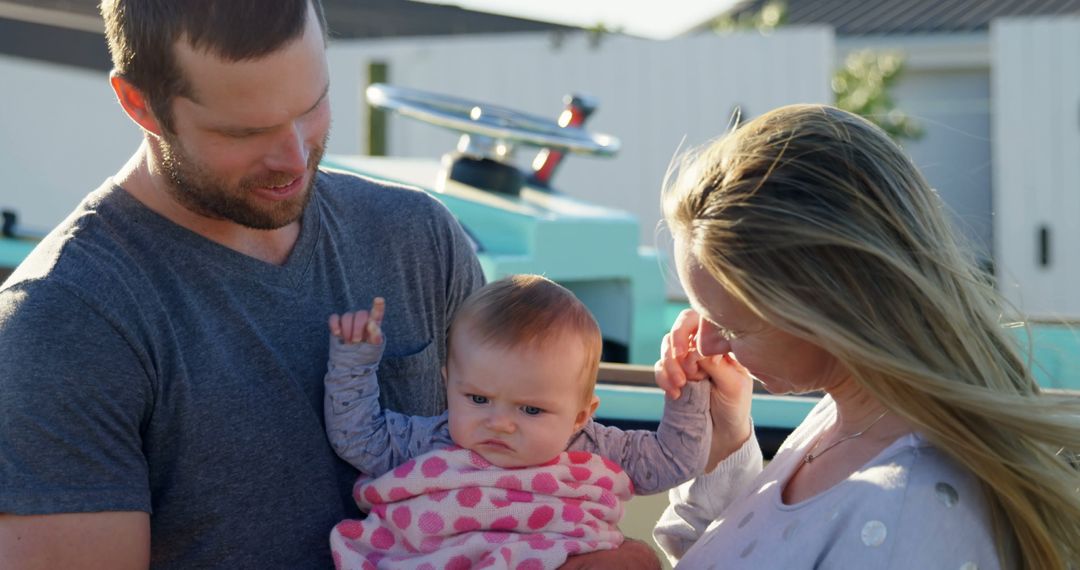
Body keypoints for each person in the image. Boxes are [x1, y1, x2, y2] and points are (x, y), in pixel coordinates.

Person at [0, 1, 487, 567]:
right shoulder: (62, 326)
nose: (295, 156)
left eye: (312, 106)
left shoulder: (418, 237)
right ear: (140, 103)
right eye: (246, 130)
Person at [651, 104, 1080, 569]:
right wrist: (726, 445)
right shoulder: (845, 421)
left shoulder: (902, 519)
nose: (706, 344)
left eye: (732, 326)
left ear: (831, 308)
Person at [323, 275, 711, 568]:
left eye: (530, 410)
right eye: (477, 399)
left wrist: (687, 388)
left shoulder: (593, 448)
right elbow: (358, 436)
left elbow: (673, 461)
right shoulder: (429, 440)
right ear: (448, 385)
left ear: (580, 416)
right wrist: (354, 365)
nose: (500, 423)